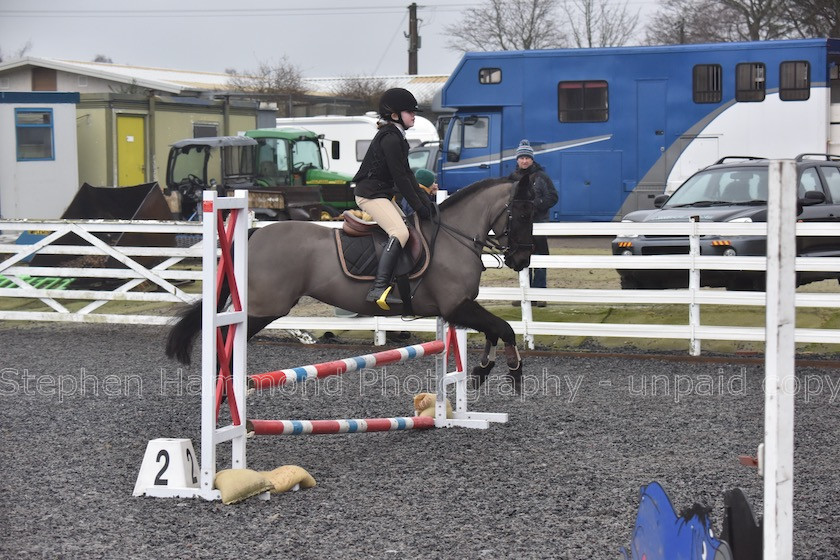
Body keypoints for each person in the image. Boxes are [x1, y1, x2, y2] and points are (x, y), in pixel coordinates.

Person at [352, 88, 435, 310]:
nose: (414, 115)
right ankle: (378, 288)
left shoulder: (397, 136)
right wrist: (419, 205)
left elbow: (408, 175)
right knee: (399, 232)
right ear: (395, 115)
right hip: (369, 195)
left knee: (407, 229)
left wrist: (425, 203)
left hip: (381, 194)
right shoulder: (390, 138)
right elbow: (400, 178)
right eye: (410, 112)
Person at [508, 139, 558, 307]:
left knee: (541, 259)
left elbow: (553, 196)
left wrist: (536, 205)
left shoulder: (542, 177)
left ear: (532, 159)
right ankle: (525, 293)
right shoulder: (512, 178)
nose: (524, 161)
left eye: (527, 158)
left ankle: (540, 294)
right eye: (521, 158)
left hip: (538, 224)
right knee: (522, 258)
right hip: (520, 227)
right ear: (517, 159)